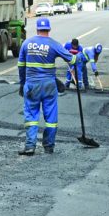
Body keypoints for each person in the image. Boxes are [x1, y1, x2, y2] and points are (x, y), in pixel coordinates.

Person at [17, 17, 75, 155]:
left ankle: (30, 146)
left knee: (31, 115)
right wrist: (79, 58)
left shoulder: (27, 43)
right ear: (49, 29)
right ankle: (49, 146)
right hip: (49, 85)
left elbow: (21, 66)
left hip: (31, 85)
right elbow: (72, 59)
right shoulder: (54, 44)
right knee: (51, 117)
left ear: (37, 29)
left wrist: (22, 83)